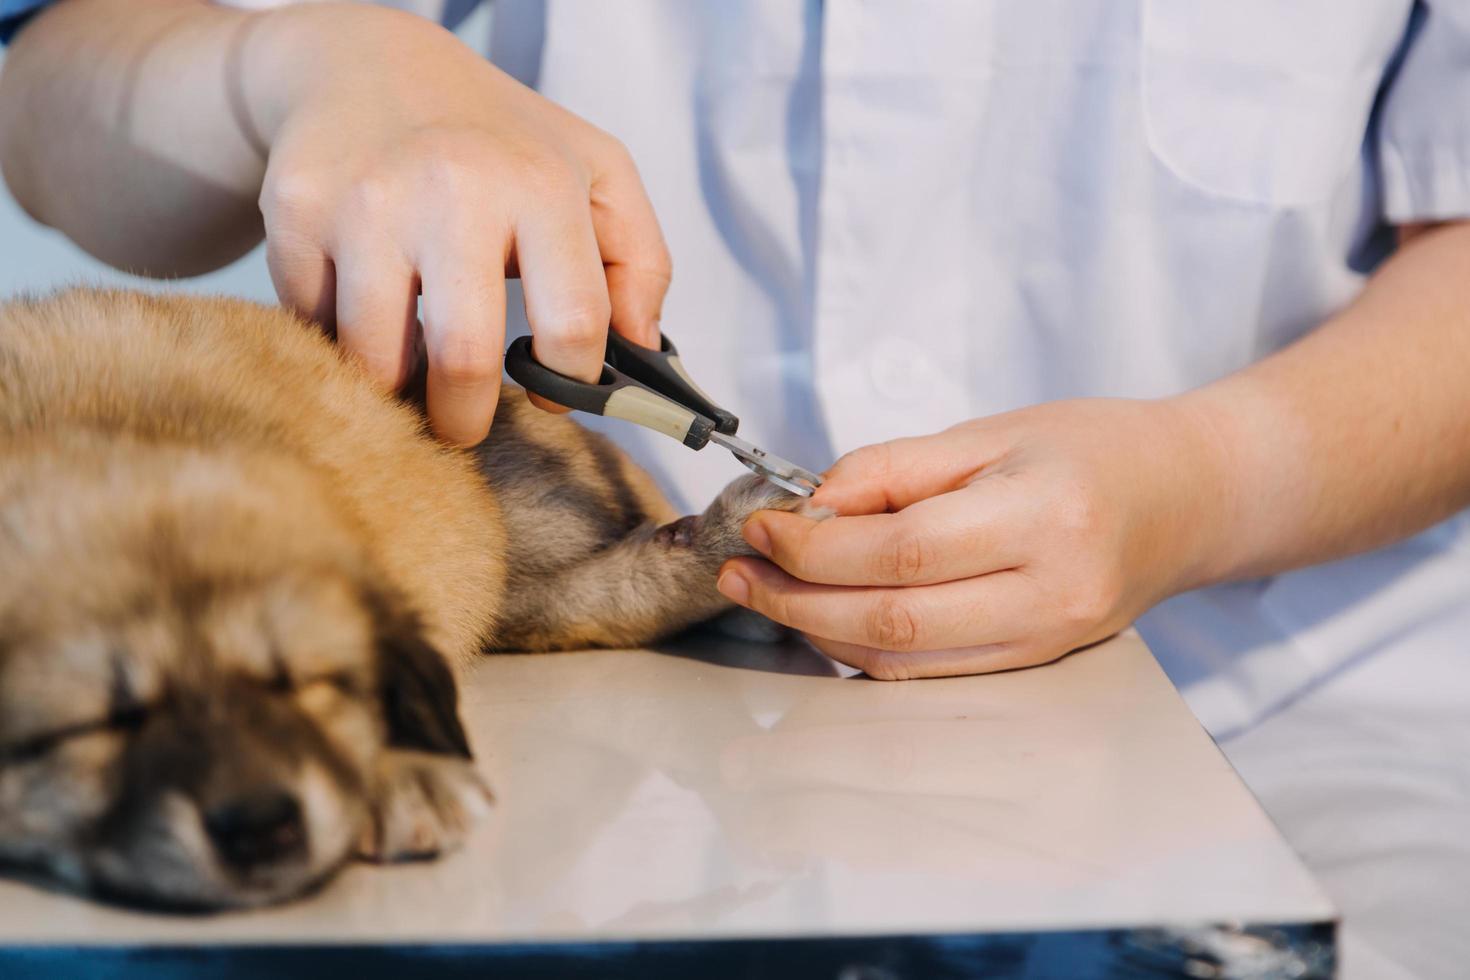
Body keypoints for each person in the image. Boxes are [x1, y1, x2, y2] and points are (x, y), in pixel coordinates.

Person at [1, 1, 1467, 975]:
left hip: (1301, 708)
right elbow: (52, 100)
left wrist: (1207, 484)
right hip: (558, 736)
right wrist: (292, 60)